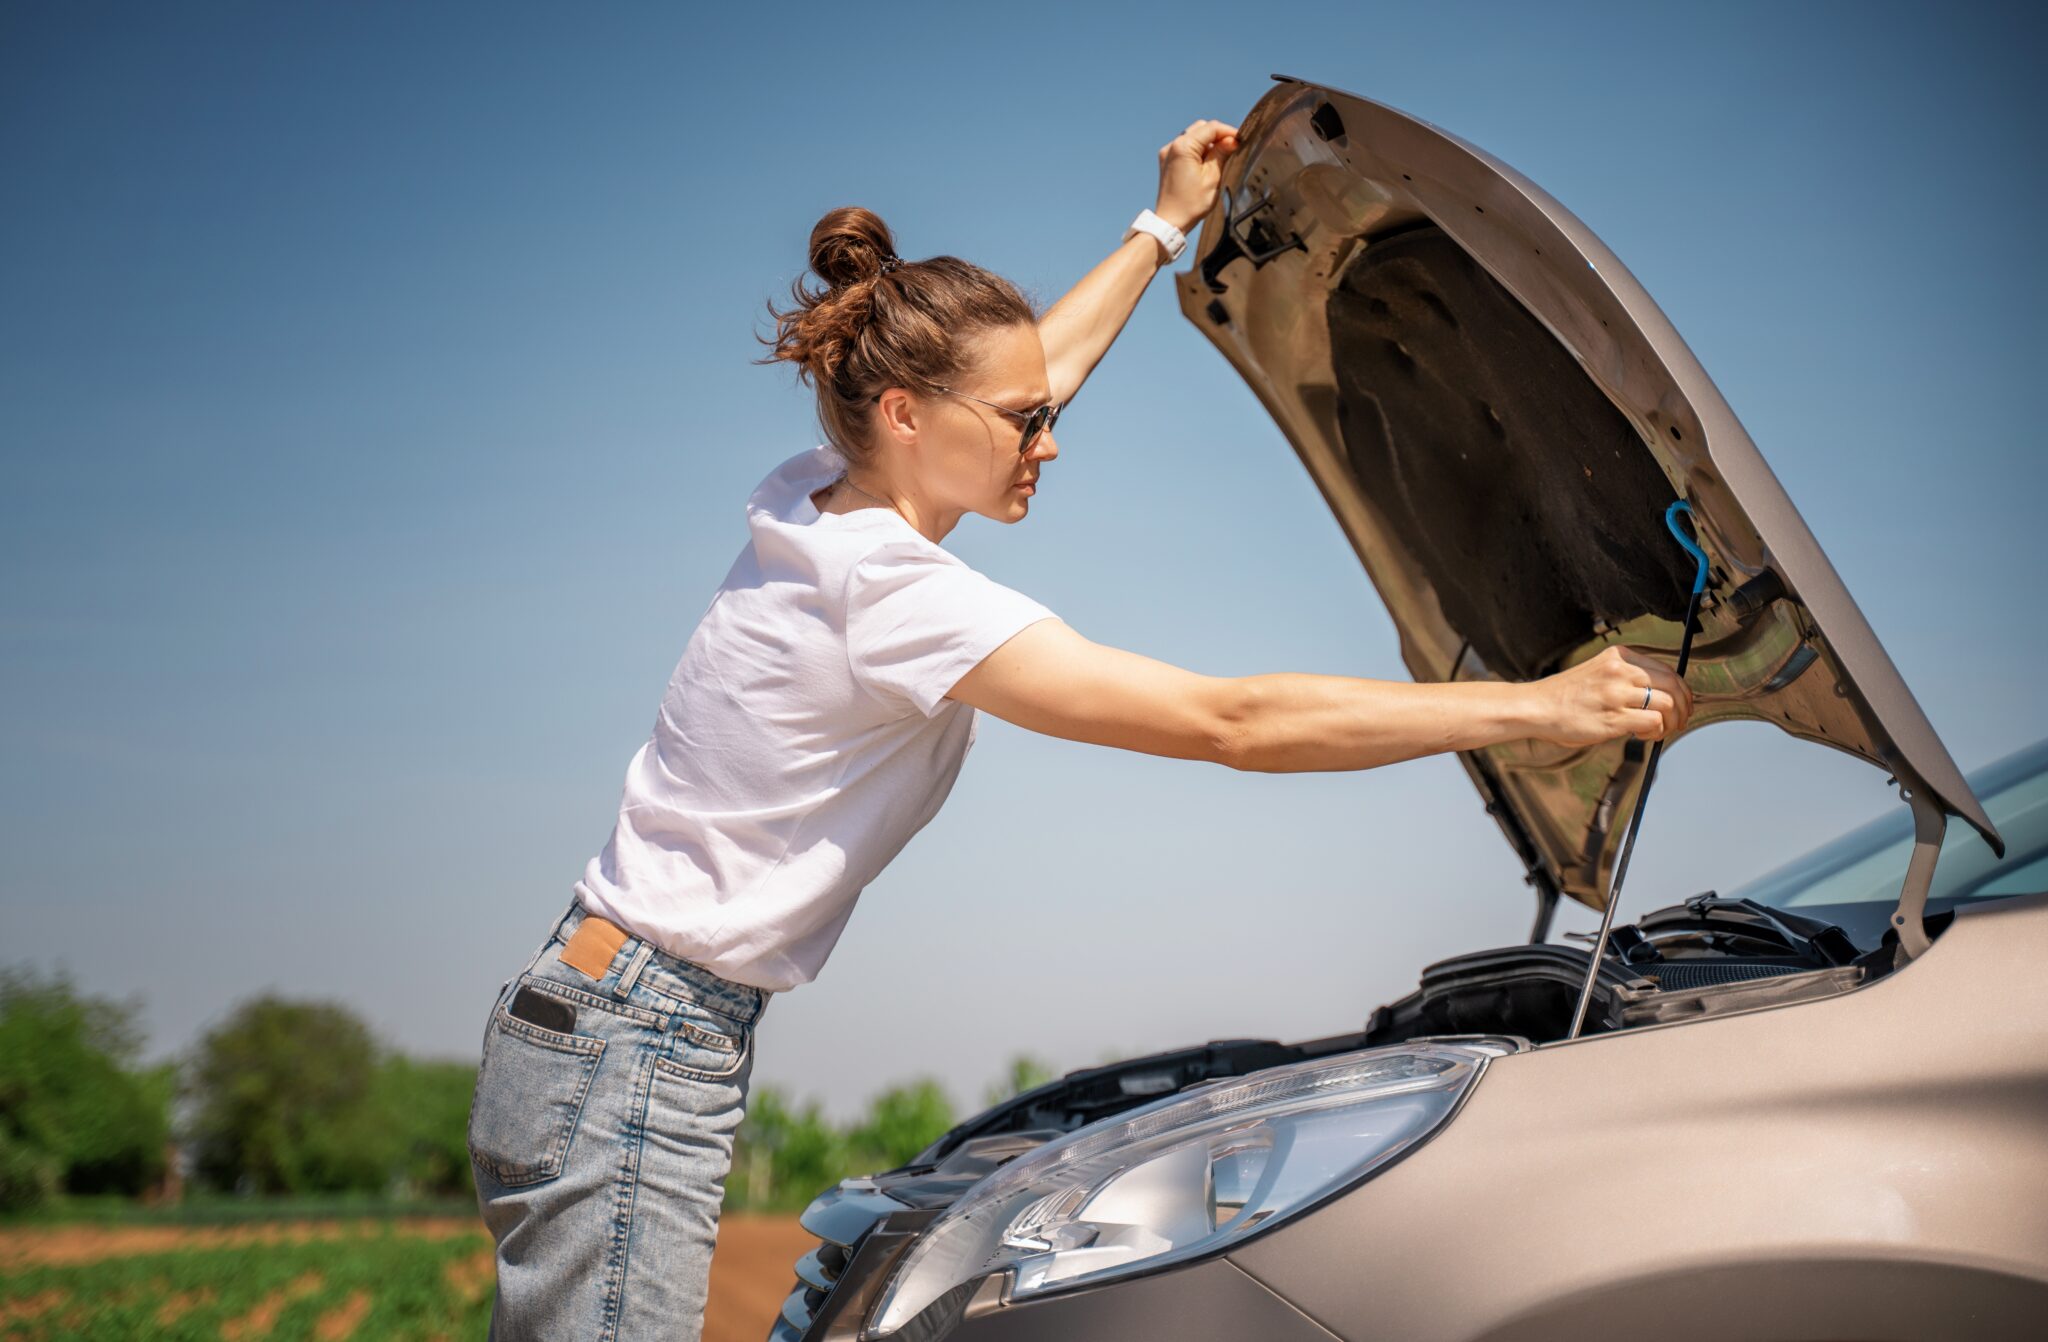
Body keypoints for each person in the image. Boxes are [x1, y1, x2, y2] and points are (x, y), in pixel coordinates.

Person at [465, 119, 1692, 1341]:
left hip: (606, 1021)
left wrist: (1160, 228)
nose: (1048, 441)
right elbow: (1229, 721)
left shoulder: (819, 495)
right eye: (1023, 423)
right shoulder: (892, 596)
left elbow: (1017, 374)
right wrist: (1540, 703)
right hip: (635, 1048)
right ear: (904, 414)